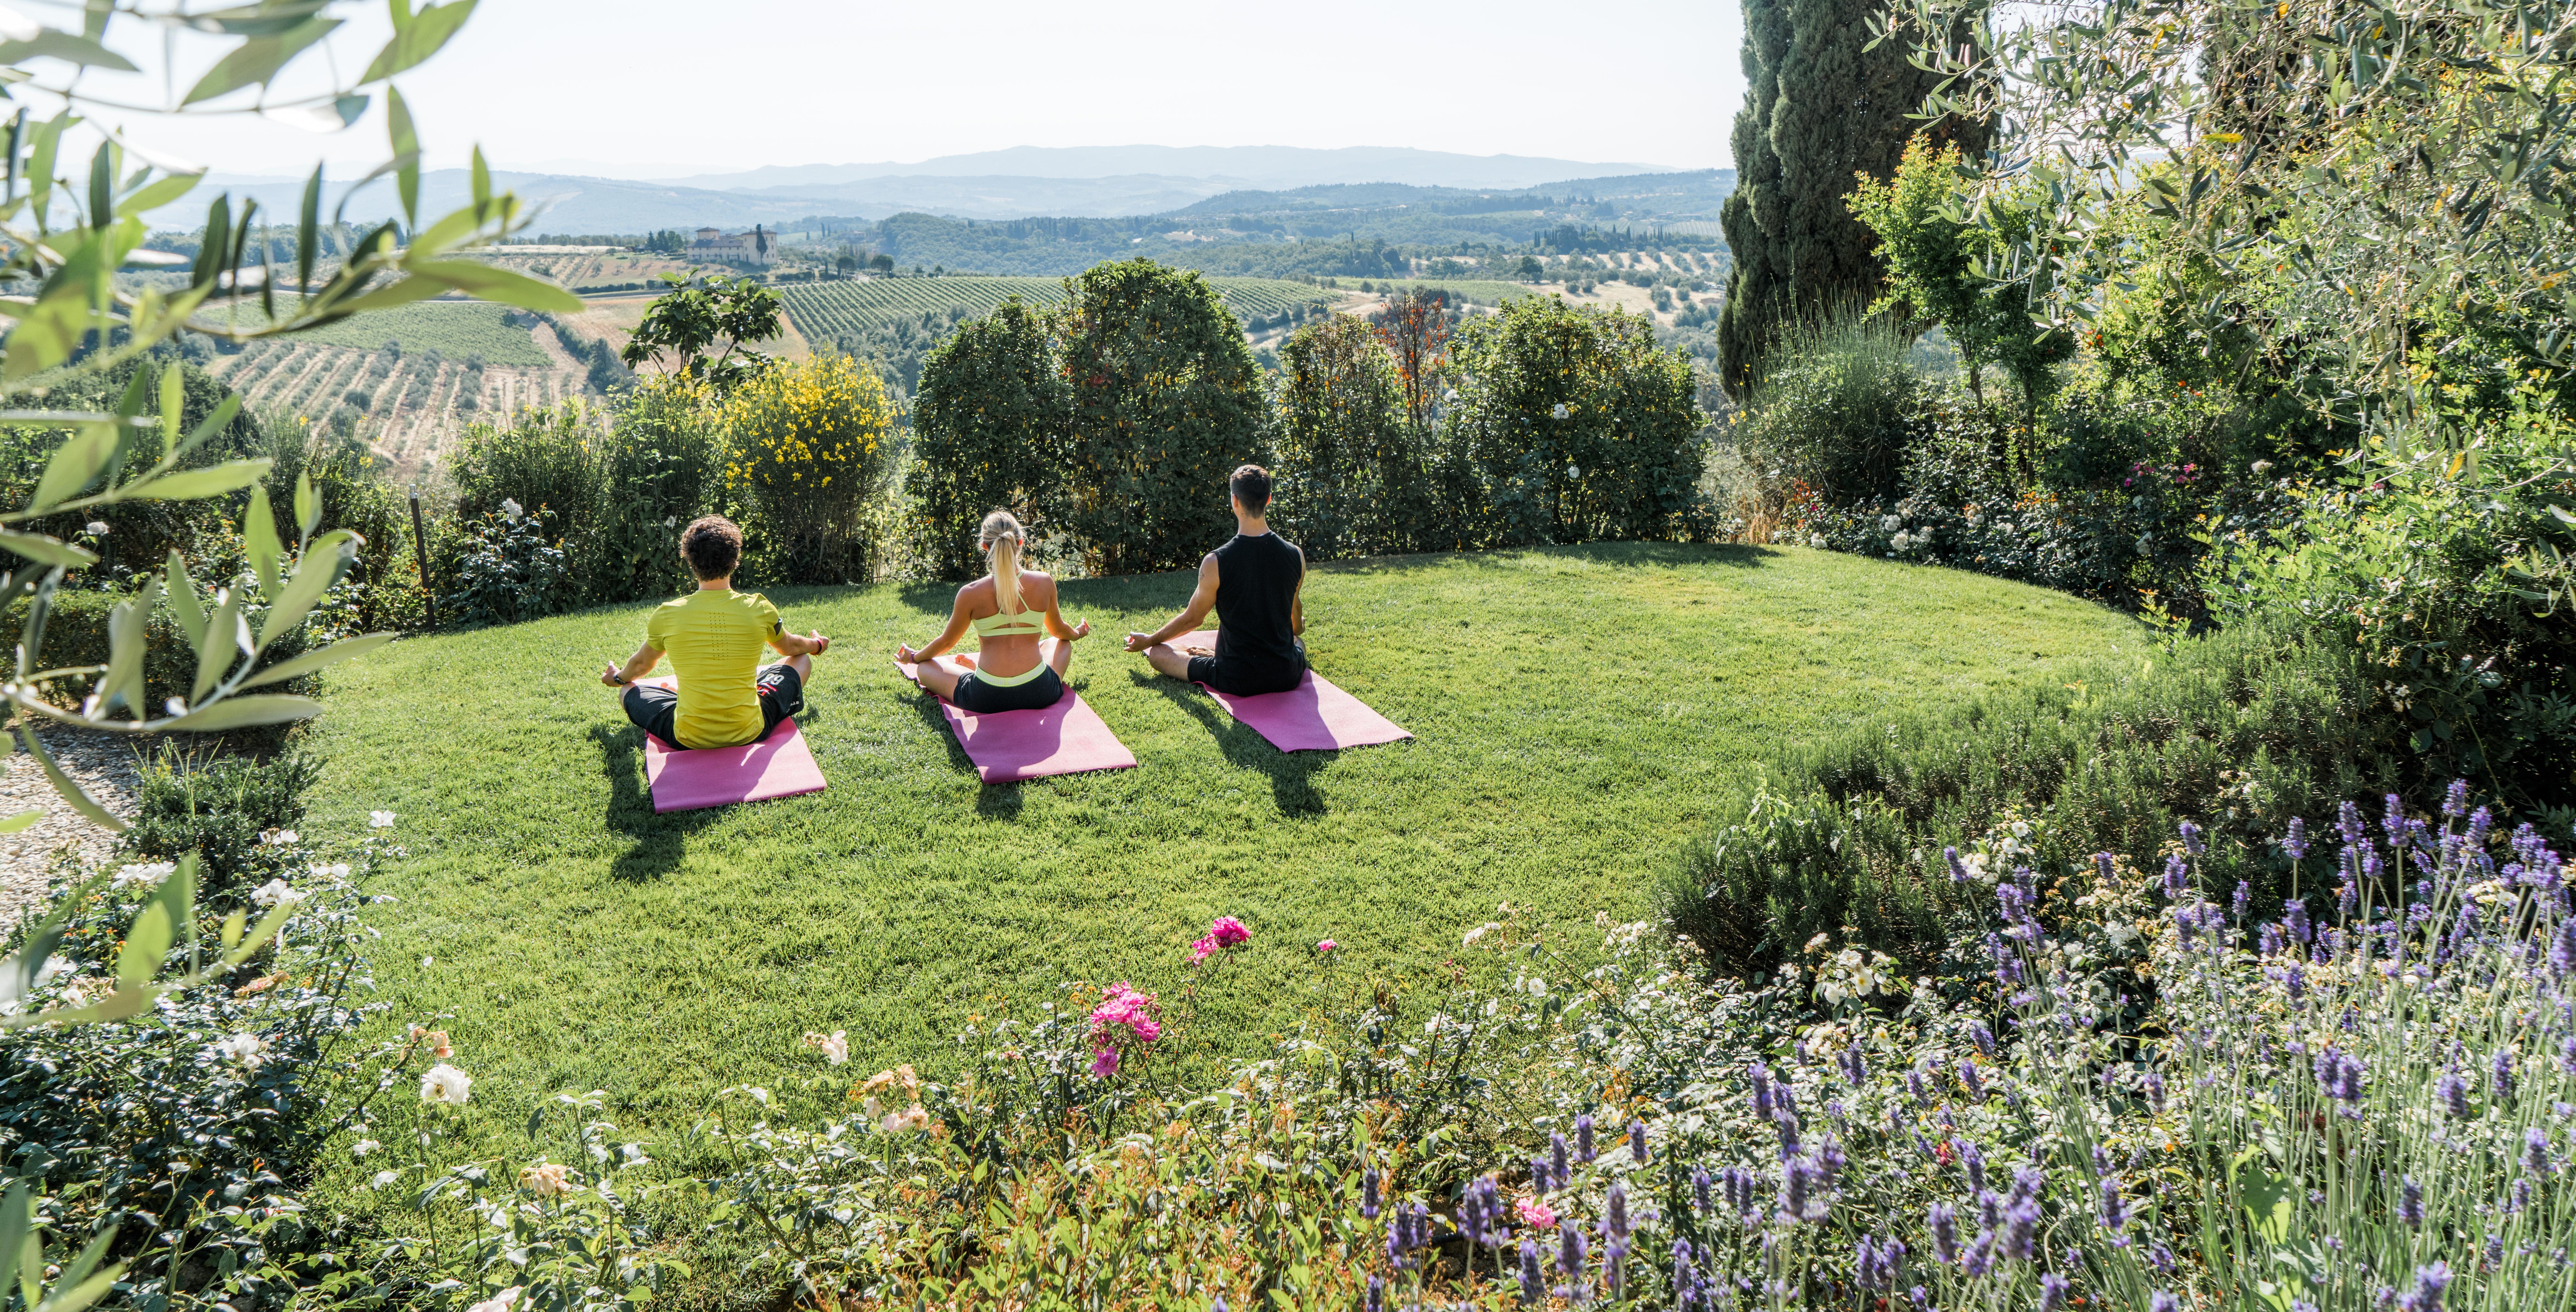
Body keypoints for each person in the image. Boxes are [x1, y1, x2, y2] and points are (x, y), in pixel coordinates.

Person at [602, 515, 830, 749]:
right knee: (801, 661)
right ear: (735, 559)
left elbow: (641, 666)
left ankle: (672, 695)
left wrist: (618, 678)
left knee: (627, 690)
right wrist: (817, 645)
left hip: (688, 738)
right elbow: (792, 647)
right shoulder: (759, 607)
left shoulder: (667, 614)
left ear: (690, 561)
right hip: (750, 731)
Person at [1126, 464, 1307, 695]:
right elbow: (1295, 621)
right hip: (1286, 675)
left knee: (1159, 654)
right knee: (1298, 644)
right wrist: (1297, 630)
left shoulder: (1216, 562)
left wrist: (1150, 640)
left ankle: (1215, 658)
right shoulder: (1296, 555)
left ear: (1235, 501)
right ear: (1269, 500)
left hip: (1236, 678)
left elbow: (1192, 620)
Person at [898, 510, 1092, 712]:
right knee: (1059, 642)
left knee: (925, 668)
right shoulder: (1044, 583)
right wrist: (1077, 633)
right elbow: (1059, 631)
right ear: (1020, 543)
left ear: (984, 547)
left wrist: (914, 658)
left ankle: (975, 670)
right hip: (1040, 692)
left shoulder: (970, 593)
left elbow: (947, 642)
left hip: (986, 697)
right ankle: (981, 670)